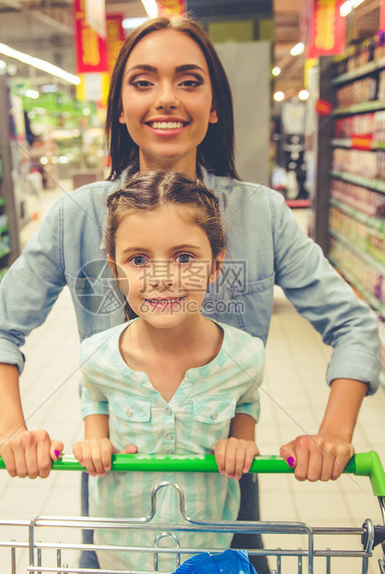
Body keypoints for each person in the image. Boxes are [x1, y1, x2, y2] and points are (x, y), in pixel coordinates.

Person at [0, 15, 380, 572]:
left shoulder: (261, 215)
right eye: (143, 82)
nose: (166, 98)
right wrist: (12, 432)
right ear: (120, 106)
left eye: (188, 81)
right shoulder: (76, 216)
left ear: (214, 105)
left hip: (227, 479)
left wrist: (334, 433)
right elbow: (0, 328)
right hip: (118, 487)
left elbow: (353, 325)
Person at [73, 170, 263, 571]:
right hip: (123, 555)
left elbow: (246, 397)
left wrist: (242, 438)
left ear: (216, 265)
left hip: (206, 551)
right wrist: (94, 437)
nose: (161, 278)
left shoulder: (245, 356)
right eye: (138, 260)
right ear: (116, 268)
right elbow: (94, 393)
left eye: (184, 257)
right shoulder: (97, 356)